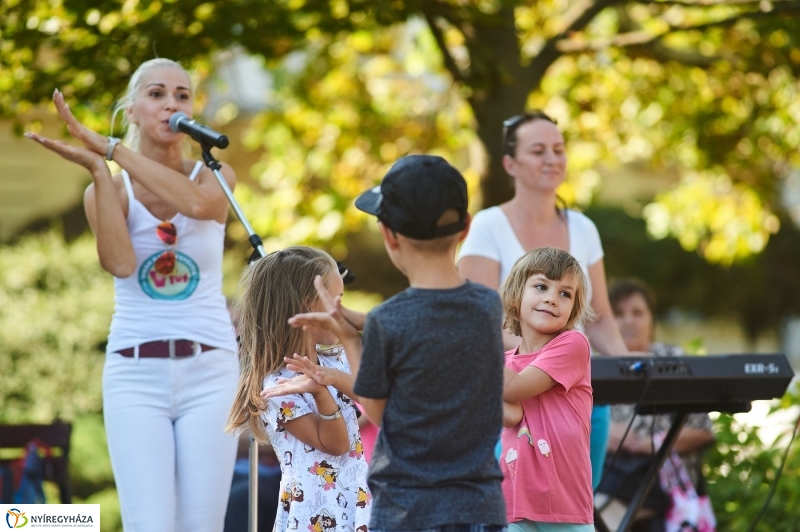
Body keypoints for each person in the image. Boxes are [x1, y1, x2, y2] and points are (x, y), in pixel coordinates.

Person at [26, 58, 239, 531]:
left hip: (212, 371)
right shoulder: (110, 189)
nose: (171, 104)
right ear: (133, 108)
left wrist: (113, 150)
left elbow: (202, 206)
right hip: (136, 374)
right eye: (157, 94)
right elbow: (120, 264)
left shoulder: (214, 173)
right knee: (150, 524)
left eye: (182, 95)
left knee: (201, 526)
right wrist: (102, 172)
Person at [286, 155, 508, 532]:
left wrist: (350, 338)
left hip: (408, 510)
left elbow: (378, 410)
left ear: (389, 234)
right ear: (465, 228)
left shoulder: (391, 320)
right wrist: (360, 321)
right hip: (480, 506)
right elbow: (434, 323)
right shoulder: (488, 306)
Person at [457, 111, 629, 489]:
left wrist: (629, 365)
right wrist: (545, 363)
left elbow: (598, 318)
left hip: (577, 395)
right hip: (511, 393)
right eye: (538, 151)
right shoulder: (487, 226)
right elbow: (478, 318)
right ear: (510, 163)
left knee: (577, 501)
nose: (552, 159)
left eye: (558, 149)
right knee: (512, 508)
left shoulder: (584, 228)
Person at [227, 247, 371, 531]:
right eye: (337, 300)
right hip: (316, 515)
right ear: (308, 309)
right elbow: (337, 444)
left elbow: (375, 393)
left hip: (357, 504)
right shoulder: (279, 386)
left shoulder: (337, 359)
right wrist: (319, 391)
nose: (342, 311)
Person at [596, 279, 715, 532]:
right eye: (618, 314)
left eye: (637, 313)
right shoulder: (594, 364)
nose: (628, 321)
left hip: (661, 477)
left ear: (652, 320)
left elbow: (702, 431)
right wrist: (599, 433)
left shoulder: (673, 360)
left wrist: (644, 444)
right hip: (604, 471)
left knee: (601, 512)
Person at [500, 247, 596, 531]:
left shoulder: (572, 344)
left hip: (566, 510)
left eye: (565, 293)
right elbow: (511, 416)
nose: (552, 298)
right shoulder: (503, 365)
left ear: (572, 309)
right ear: (516, 296)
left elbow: (515, 389)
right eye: (541, 286)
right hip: (515, 506)